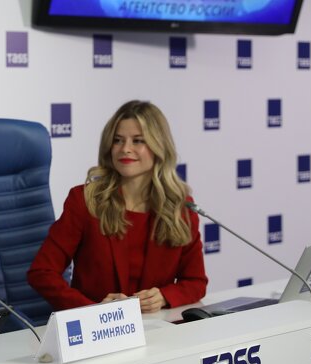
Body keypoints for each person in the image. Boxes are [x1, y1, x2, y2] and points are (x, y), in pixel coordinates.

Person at [27, 100, 207, 313]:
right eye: (117, 140)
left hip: (158, 326)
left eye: (138, 141)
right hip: (97, 327)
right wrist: (94, 311)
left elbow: (195, 282)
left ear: (159, 146)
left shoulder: (180, 208)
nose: (125, 149)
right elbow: (42, 272)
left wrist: (164, 297)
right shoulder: (85, 200)